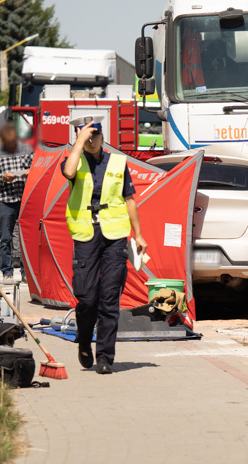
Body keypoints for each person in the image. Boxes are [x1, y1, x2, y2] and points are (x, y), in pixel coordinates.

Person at [61, 116, 147, 374]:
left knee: (109, 298)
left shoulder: (118, 162)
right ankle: (85, 340)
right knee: (87, 298)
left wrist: (139, 234)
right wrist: (78, 143)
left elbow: (129, 200)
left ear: (103, 136)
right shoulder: (74, 160)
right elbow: (68, 173)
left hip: (115, 235)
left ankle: (106, 357)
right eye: (86, 136)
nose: (91, 140)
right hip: (86, 234)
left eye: (95, 135)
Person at [0, 122, 34, 281]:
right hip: (5, 201)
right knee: (5, 237)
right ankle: (7, 272)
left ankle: (26, 273)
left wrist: (29, 171)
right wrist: (2, 177)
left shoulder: (26, 150)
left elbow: (36, 167)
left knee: (25, 237)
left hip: (23, 200)